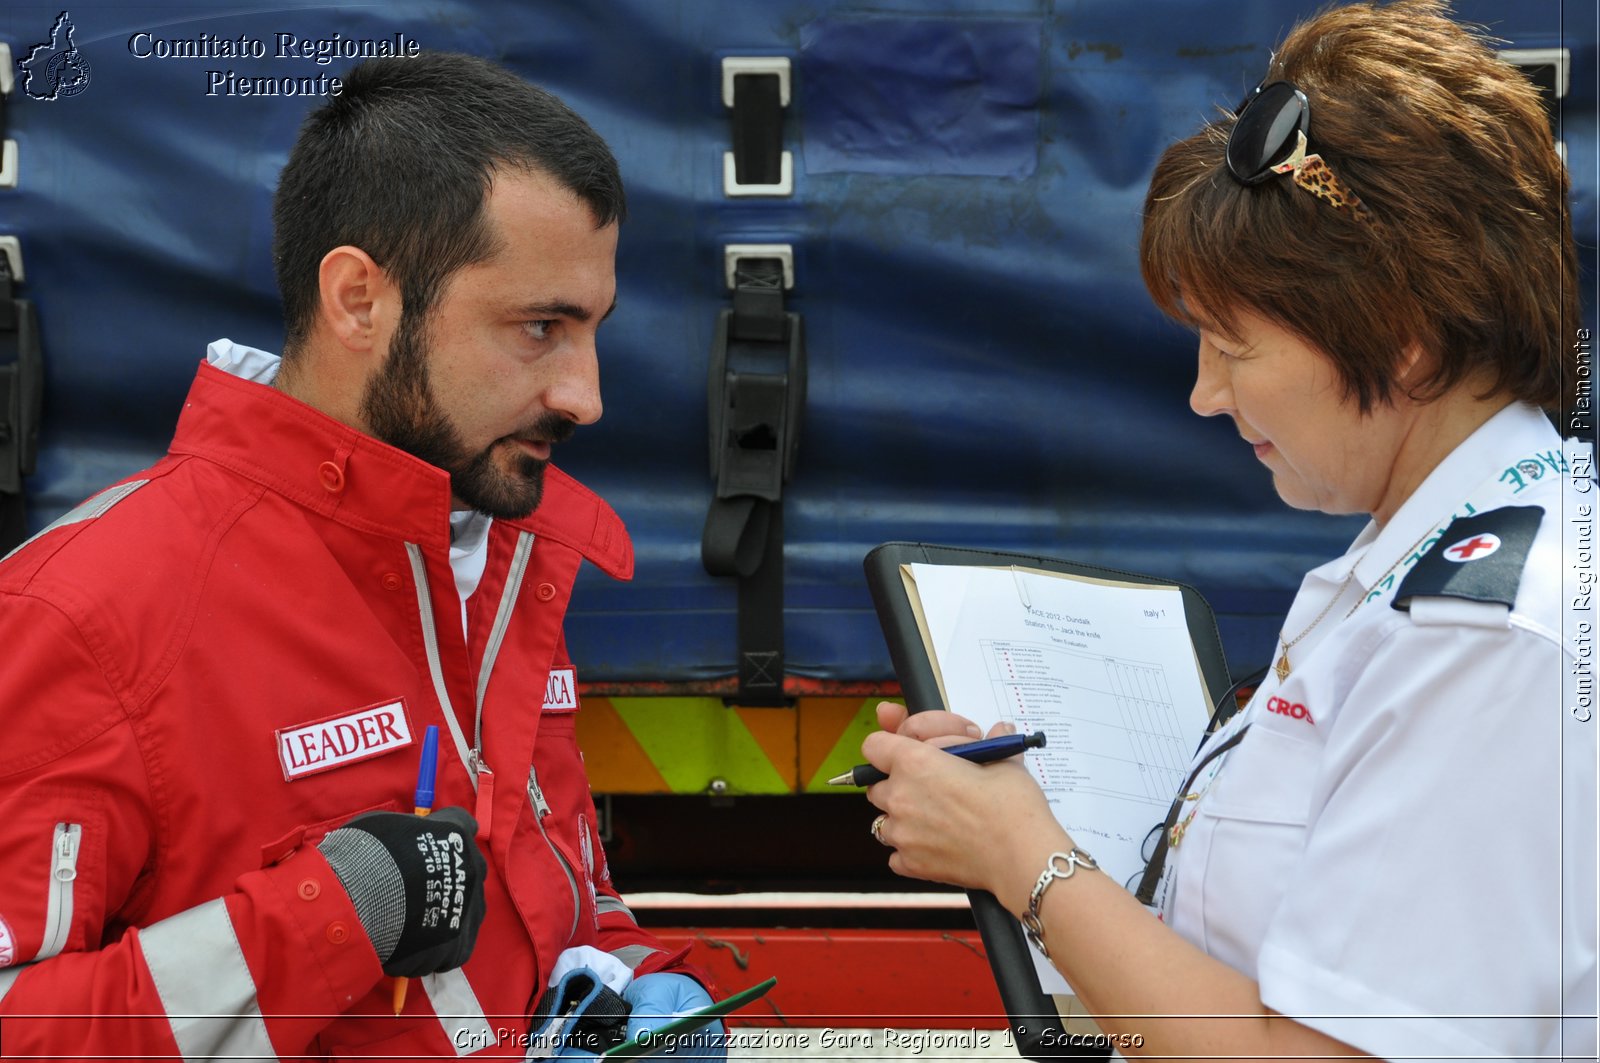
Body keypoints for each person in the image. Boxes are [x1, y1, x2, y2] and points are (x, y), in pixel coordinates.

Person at [860, 2, 1596, 1059]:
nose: (1203, 394)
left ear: (1404, 340)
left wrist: (1023, 854)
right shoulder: (1429, 572)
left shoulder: (1485, 639)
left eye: (1231, 344)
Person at [0, 53, 724, 1060]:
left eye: (591, 328)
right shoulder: (85, 611)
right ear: (358, 300)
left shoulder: (501, 558)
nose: (585, 395)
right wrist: (333, 914)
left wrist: (633, 985)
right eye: (539, 327)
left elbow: (550, 909)